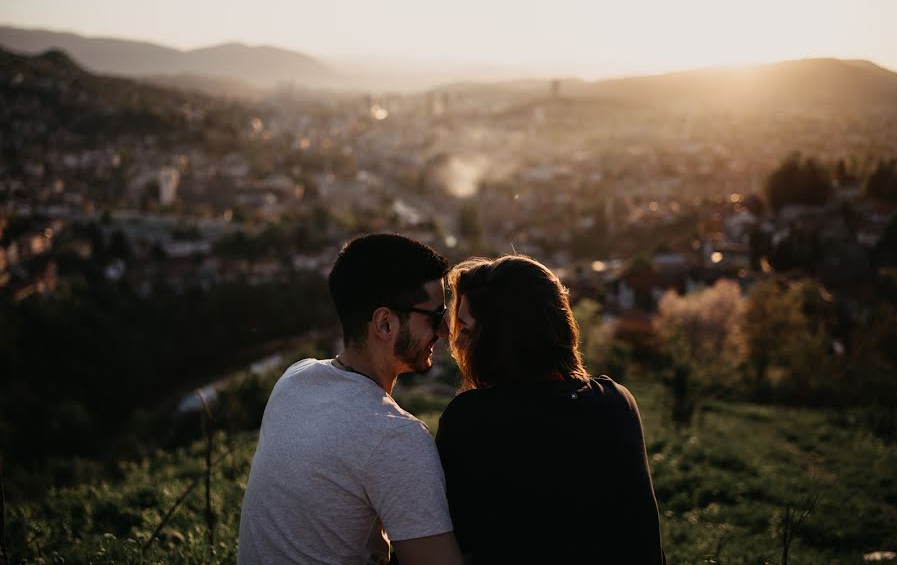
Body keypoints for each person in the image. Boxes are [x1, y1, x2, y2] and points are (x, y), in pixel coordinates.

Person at [238, 233, 464, 565]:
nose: (445, 330)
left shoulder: (293, 379)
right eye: (434, 316)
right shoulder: (396, 438)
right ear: (385, 323)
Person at [436, 255, 666, 564]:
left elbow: (445, 544)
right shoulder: (616, 401)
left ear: (497, 339)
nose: (458, 343)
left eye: (465, 329)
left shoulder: (472, 418)